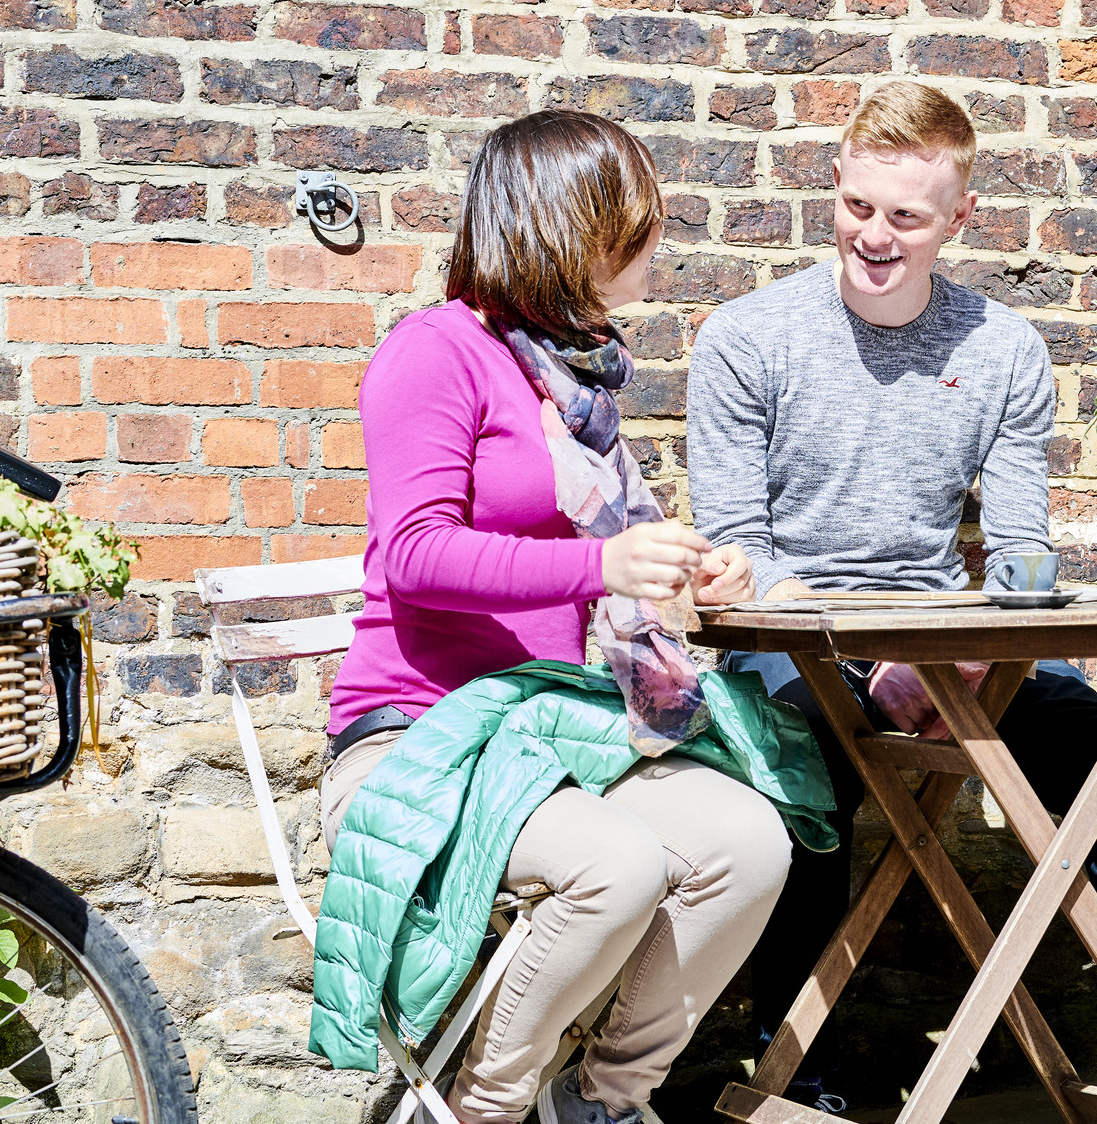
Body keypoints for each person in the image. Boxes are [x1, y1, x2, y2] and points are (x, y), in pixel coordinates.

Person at [684, 82, 1097, 1124]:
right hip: (791, 640)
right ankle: (796, 1075)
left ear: (958, 218)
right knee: (798, 763)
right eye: (857, 207)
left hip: (948, 645)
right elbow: (738, 555)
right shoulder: (747, 337)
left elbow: (1017, 550)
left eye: (906, 217)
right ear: (835, 183)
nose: (874, 236)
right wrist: (871, 654)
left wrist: (988, 627)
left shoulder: (1002, 349)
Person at [315, 111, 792, 1124]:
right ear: (573, 227)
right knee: (613, 867)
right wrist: (598, 561)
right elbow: (414, 553)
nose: (657, 247)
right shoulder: (431, 354)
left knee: (750, 841)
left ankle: (606, 1101)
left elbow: (613, 544)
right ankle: (486, 1105)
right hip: (414, 734)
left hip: (545, 730)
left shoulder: (567, 377)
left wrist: (694, 567)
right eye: (639, 223)